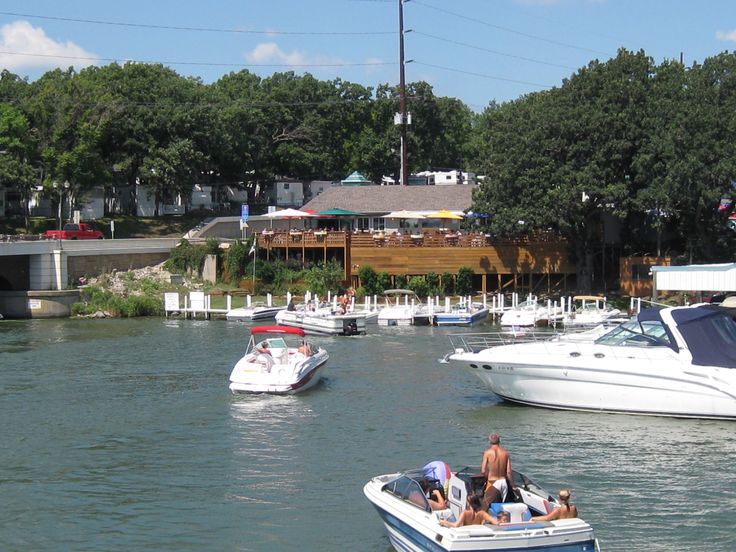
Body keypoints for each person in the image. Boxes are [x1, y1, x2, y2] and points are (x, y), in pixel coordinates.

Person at [481, 432, 513, 509]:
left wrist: (487, 477)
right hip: (503, 482)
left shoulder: (487, 453)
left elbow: (483, 470)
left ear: (489, 441)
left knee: (485, 507)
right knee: (504, 507)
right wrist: (512, 485)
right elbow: (508, 472)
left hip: (493, 482)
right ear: (500, 440)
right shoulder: (506, 453)